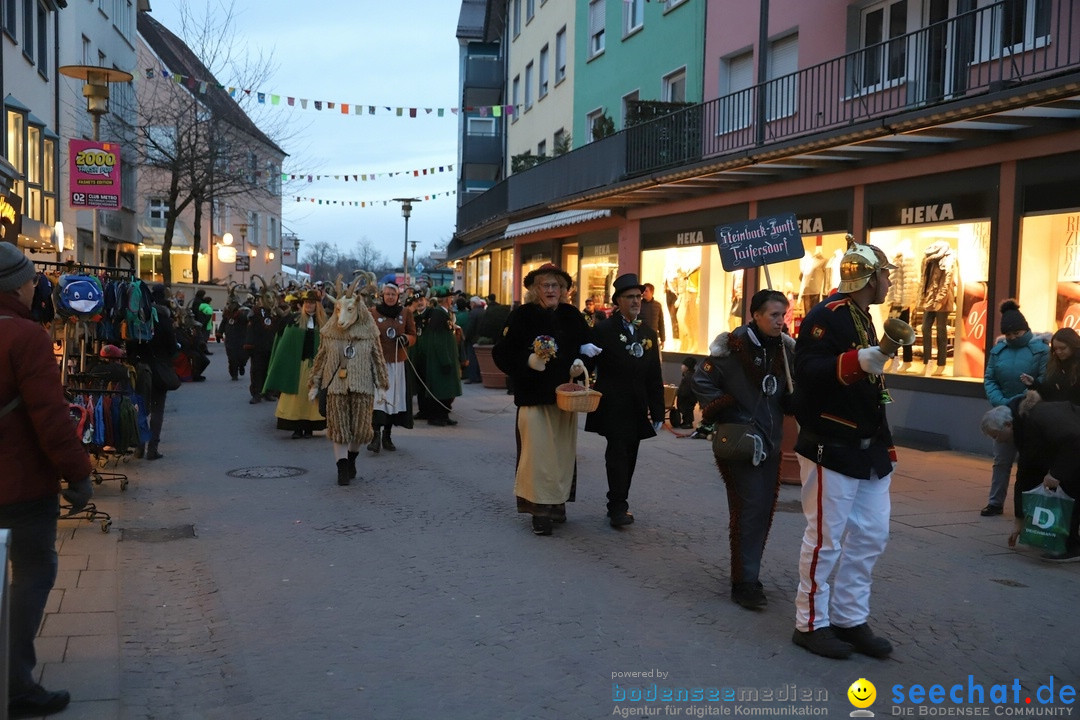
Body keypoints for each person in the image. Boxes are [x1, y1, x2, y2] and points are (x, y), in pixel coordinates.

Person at [791, 241, 898, 660]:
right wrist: (856, 361)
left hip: (866, 448)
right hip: (830, 445)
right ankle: (810, 623)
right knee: (825, 541)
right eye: (886, 274)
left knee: (871, 535)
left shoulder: (862, 315)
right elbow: (808, 373)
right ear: (870, 279)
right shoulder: (825, 316)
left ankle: (849, 617)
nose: (890, 281)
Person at [0, 241, 94, 718]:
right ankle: (15, 682)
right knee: (32, 572)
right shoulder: (25, 336)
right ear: (16, 284)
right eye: (32, 278)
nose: (37, 284)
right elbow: (50, 419)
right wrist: (78, 475)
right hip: (17, 483)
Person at [693, 290, 795, 610]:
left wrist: (794, 401)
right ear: (755, 315)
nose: (781, 321)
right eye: (774, 315)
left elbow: (795, 388)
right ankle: (745, 581)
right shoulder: (733, 347)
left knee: (762, 509)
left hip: (772, 441)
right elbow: (701, 380)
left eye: (783, 315)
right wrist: (727, 409)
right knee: (749, 508)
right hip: (741, 443)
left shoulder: (786, 350)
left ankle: (749, 572)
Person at [492, 263, 598, 535]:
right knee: (537, 456)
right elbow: (502, 353)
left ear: (563, 290)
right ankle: (539, 509)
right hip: (533, 397)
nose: (551, 290)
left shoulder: (572, 316)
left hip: (565, 398)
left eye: (556, 286)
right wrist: (527, 361)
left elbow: (589, 348)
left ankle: (557, 502)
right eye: (545, 285)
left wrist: (580, 362)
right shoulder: (522, 316)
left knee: (562, 455)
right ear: (535, 289)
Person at [585, 273, 665, 528]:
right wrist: (580, 360)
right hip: (612, 403)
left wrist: (659, 411)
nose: (635, 302)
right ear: (617, 301)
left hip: (637, 405)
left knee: (630, 455)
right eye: (630, 297)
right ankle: (617, 506)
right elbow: (588, 363)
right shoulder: (603, 330)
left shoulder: (648, 332)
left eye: (638, 297)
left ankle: (621, 501)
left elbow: (654, 374)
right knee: (617, 453)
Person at [981, 394, 1080, 562]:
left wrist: (1056, 473)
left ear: (1007, 425)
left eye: (995, 435)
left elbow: (1074, 440)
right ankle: (1070, 543)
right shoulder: (1023, 427)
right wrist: (1019, 522)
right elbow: (1026, 473)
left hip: (1074, 446)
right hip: (1071, 449)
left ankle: (1072, 547)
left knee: (1070, 488)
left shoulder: (1036, 419)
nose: (997, 441)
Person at [309, 278, 389, 485]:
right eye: (337, 311)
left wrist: (381, 386)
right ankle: (342, 469)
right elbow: (321, 359)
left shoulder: (369, 334)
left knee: (360, 431)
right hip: (336, 388)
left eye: (348, 310)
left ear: (358, 309)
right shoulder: (330, 333)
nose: (341, 318)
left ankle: (351, 459)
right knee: (339, 430)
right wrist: (314, 384)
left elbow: (378, 360)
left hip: (362, 388)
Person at [981, 300, 1049, 516]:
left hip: (1030, 413)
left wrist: (1018, 402)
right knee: (1001, 460)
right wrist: (1001, 403)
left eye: (1016, 333)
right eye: (1008, 334)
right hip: (1003, 413)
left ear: (1026, 329)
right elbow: (990, 379)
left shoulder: (1041, 351)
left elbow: (1042, 380)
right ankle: (995, 502)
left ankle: (1030, 506)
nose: (1012, 337)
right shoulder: (998, 351)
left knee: (1030, 463)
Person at [264, 290, 327, 439]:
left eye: (311, 303)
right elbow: (284, 343)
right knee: (297, 396)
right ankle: (297, 428)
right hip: (298, 365)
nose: (308, 305)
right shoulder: (294, 321)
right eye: (306, 303)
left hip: (316, 366)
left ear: (317, 305)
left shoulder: (323, 323)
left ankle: (310, 428)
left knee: (312, 396)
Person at [126, 283, 179, 461]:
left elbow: (131, 343)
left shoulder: (140, 315)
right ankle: (152, 450)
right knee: (158, 410)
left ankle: (139, 448)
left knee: (141, 408)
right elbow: (172, 346)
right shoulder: (164, 318)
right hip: (159, 369)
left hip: (141, 367)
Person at [368, 282, 416, 452]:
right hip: (378, 362)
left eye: (393, 294)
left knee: (393, 400)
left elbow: (413, 334)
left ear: (398, 297)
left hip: (397, 363)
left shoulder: (405, 313)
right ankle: (375, 436)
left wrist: (406, 339)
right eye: (387, 294)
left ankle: (387, 436)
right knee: (378, 399)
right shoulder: (372, 312)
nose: (390, 297)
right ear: (382, 295)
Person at [415, 287, 463, 426]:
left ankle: (444, 415)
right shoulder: (438, 314)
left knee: (446, 390)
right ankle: (436, 416)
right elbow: (438, 340)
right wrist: (445, 360)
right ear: (447, 299)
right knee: (440, 390)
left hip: (445, 358)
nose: (452, 300)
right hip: (440, 360)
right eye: (450, 298)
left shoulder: (443, 313)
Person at [1022, 326, 1080, 403]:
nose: (1058, 352)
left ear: (1073, 346)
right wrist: (1034, 384)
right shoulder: (1054, 365)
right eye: (1055, 349)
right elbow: (1049, 394)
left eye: (1062, 348)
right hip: (1058, 410)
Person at [244, 296, 278, 404]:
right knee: (257, 371)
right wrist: (249, 344)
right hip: (258, 347)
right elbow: (250, 328)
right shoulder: (256, 312)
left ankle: (269, 392)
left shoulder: (275, 312)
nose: (270, 300)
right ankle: (256, 393)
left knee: (269, 370)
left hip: (271, 346)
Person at [218, 298, 251, 381]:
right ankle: (234, 374)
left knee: (243, 357)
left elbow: (248, 320)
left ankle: (242, 365)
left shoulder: (243, 313)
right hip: (230, 339)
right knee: (232, 358)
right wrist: (219, 333)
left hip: (242, 339)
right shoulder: (227, 314)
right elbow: (223, 323)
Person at [671, 357, 698, 429]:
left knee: (687, 410)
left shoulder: (689, 377)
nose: (681, 366)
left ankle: (688, 423)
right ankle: (686, 422)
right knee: (686, 410)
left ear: (687, 367)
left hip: (688, 398)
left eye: (683, 365)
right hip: (687, 398)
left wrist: (680, 393)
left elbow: (686, 389)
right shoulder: (688, 375)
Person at [640, 282, 666, 347]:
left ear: (651, 292)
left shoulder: (657, 305)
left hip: (654, 337)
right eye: (643, 291)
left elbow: (661, 323)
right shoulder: (639, 305)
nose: (644, 293)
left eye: (646, 291)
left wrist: (663, 339)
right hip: (641, 337)